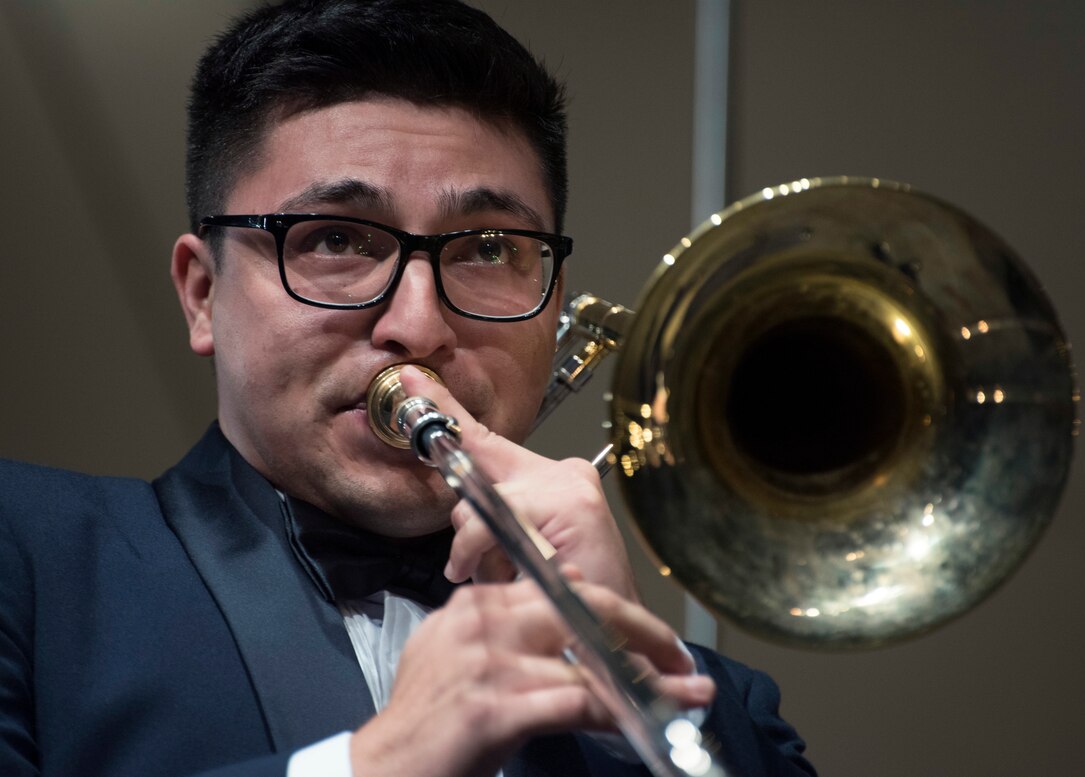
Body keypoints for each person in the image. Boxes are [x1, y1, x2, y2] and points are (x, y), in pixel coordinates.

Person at [0, 1, 816, 775]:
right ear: (202, 292)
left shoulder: (731, 714)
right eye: (337, 239)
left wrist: (637, 704)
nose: (418, 325)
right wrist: (379, 764)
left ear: (556, 304)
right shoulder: (30, 565)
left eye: (490, 249)